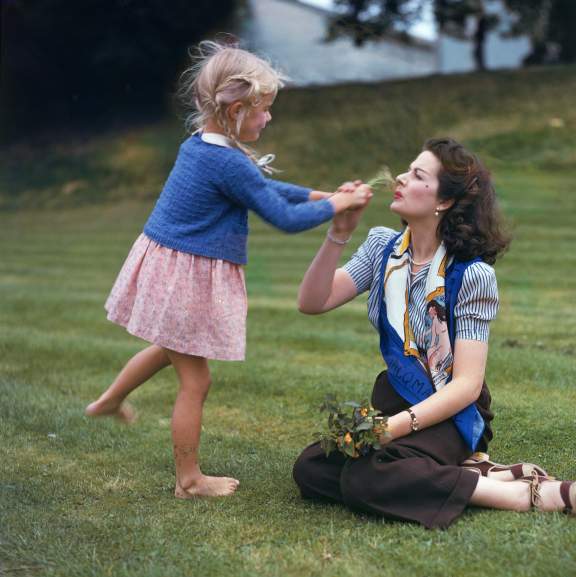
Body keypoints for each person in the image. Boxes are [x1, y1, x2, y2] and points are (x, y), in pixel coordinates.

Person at [85, 40, 371, 499]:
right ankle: (189, 480)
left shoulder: (204, 145)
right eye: (264, 109)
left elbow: (262, 185)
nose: (269, 118)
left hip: (173, 266)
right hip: (184, 274)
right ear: (236, 109)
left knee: (167, 348)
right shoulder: (224, 161)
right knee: (196, 379)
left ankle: (108, 401)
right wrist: (336, 205)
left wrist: (318, 194)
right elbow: (282, 217)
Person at [293, 137, 576, 528]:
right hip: (395, 397)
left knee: (367, 476)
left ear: (444, 202)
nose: (400, 177)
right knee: (311, 468)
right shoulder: (382, 248)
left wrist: (392, 429)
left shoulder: (471, 275)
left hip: (453, 410)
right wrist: (338, 232)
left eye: (417, 174)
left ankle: (519, 494)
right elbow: (312, 302)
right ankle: (476, 473)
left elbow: (466, 385)